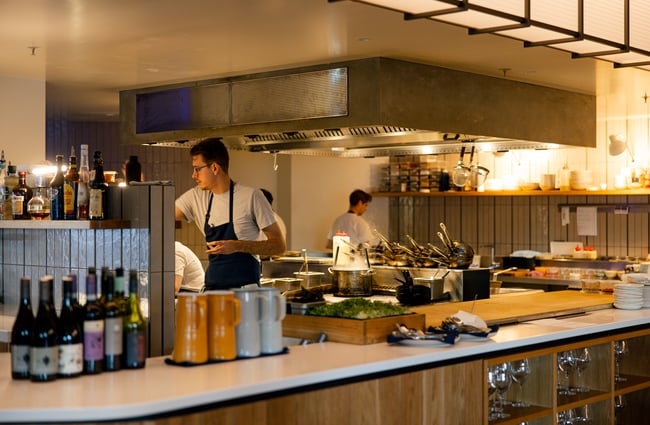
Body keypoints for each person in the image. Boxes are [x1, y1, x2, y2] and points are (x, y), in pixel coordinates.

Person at [175, 138, 286, 290]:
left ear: (214, 168)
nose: (194, 175)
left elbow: (279, 246)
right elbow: (160, 215)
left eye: (197, 169)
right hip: (213, 292)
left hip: (245, 295)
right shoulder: (196, 197)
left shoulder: (252, 197)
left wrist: (237, 246)